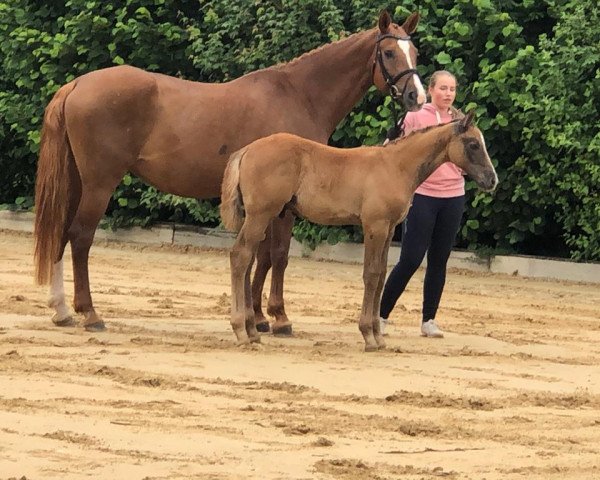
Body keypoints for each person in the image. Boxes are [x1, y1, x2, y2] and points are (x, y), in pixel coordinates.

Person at [379, 70, 465, 338]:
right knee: (411, 259)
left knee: (439, 260)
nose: (447, 93)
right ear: (430, 90)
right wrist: (389, 136)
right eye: (442, 88)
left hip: (453, 196)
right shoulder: (416, 117)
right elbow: (390, 150)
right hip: (423, 195)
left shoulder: (460, 122)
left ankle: (429, 319)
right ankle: (381, 314)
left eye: (452, 89)